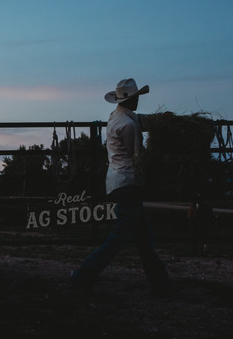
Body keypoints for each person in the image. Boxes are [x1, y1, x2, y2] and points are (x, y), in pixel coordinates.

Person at [70, 78, 171, 294]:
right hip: (129, 182)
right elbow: (138, 157)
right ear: (132, 99)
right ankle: (83, 274)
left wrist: (160, 120)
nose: (137, 103)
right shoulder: (128, 126)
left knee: (143, 237)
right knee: (120, 237)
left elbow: (141, 120)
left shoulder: (117, 117)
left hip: (118, 180)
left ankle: (161, 283)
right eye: (136, 99)